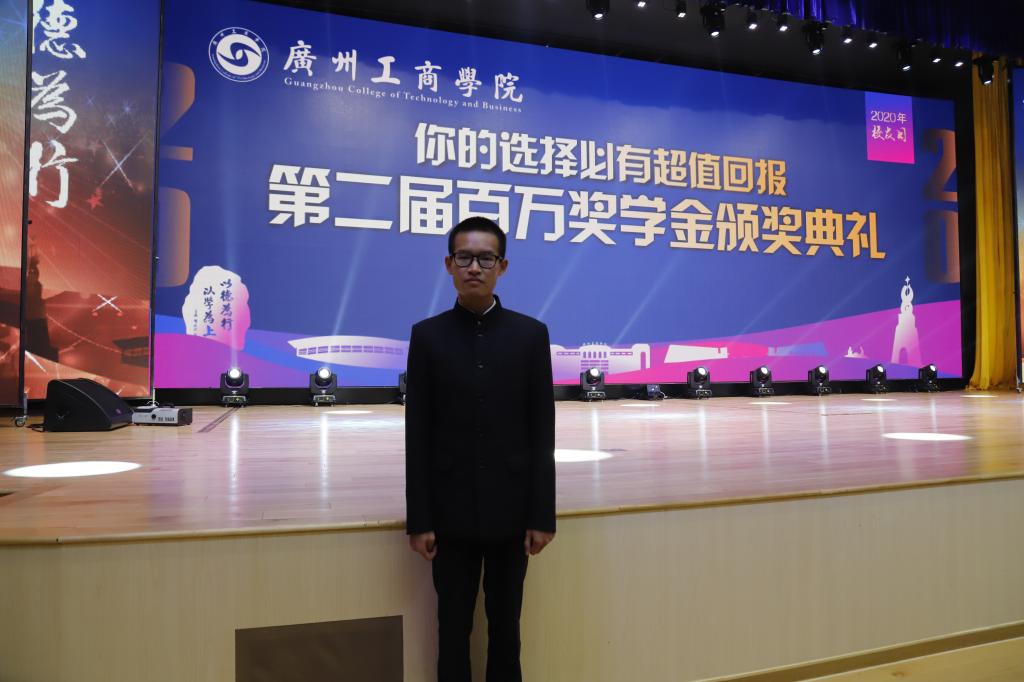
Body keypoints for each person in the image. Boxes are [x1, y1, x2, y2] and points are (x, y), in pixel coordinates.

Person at [405, 216, 556, 682]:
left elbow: (542, 431)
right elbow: (418, 433)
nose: (475, 267)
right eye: (465, 257)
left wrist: (542, 515)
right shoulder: (427, 336)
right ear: (448, 264)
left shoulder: (531, 335)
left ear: (502, 266)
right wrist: (420, 519)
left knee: (506, 630)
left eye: (486, 258)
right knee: (452, 630)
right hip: (448, 516)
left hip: (513, 515)